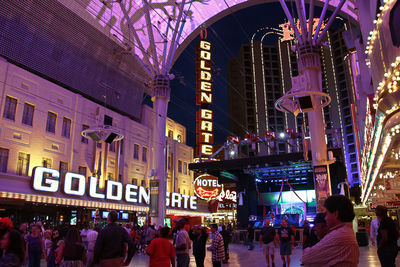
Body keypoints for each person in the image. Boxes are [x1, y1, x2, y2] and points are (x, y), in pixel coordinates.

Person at [301, 195, 359, 266]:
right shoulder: (346, 231)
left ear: (335, 214)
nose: (325, 218)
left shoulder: (338, 235)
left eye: (327, 214)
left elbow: (305, 258)